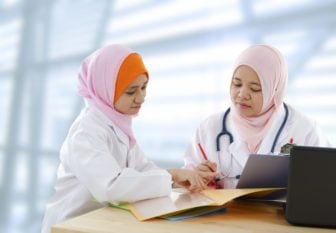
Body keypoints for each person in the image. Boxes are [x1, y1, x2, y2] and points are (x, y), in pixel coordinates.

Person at [41, 44, 216, 233]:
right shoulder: (85, 133)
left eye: (143, 87)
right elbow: (111, 187)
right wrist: (171, 176)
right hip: (71, 224)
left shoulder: (119, 126)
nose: (141, 98)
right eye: (131, 91)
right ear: (105, 90)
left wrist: (180, 179)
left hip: (102, 221)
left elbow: (143, 168)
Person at [183, 44, 330, 189]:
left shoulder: (305, 130)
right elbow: (186, 183)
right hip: (225, 213)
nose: (242, 95)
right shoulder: (209, 128)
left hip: (282, 213)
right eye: (237, 84)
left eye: (255, 89)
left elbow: (326, 183)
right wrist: (197, 179)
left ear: (274, 90)